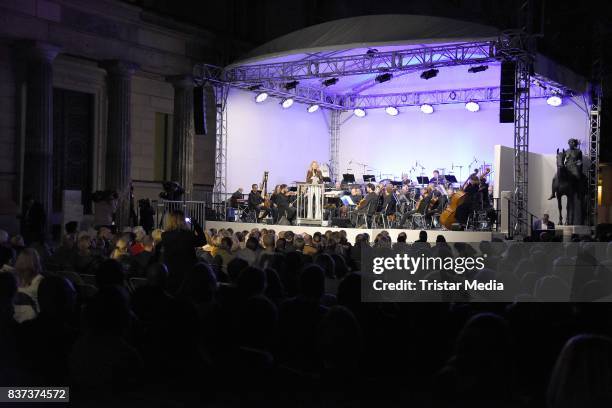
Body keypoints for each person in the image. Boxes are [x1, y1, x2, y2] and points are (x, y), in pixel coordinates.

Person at [159, 210, 206, 293]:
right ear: (183, 221)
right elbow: (203, 241)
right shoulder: (189, 235)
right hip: (187, 272)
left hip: (171, 272)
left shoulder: (165, 235)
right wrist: (196, 225)